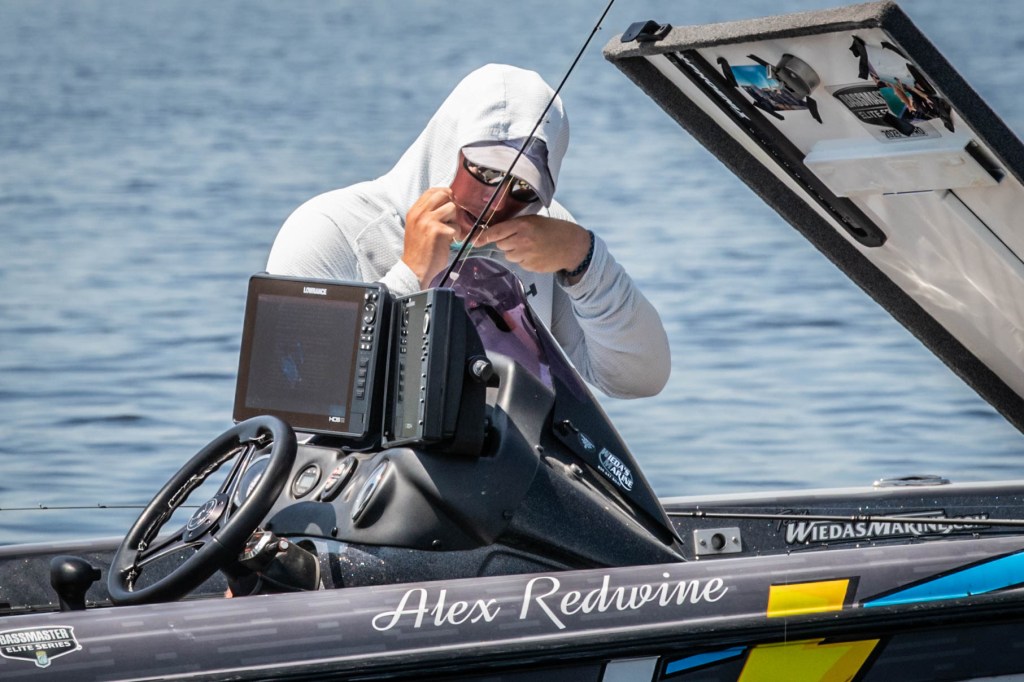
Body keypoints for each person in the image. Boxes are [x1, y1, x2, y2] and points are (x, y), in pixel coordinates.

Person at [267, 64, 669, 399]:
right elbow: (295, 393)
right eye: (486, 172)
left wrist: (586, 259)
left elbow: (639, 378)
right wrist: (410, 276)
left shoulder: (548, 239)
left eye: (522, 187)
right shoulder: (327, 231)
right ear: (448, 148)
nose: (496, 202)